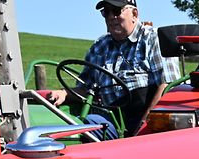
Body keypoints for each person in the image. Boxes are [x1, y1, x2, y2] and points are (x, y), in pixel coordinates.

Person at [44, 0, 178, 137]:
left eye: (116, 11)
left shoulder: (152, 38)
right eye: (106, 12)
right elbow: (86, 89)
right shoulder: (100, 46)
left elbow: (167, 85)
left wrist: (145, 125)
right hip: (111, 120)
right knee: (81, 124)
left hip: (145, 123)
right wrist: (64, 93)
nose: (110, 17)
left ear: (134, 14)